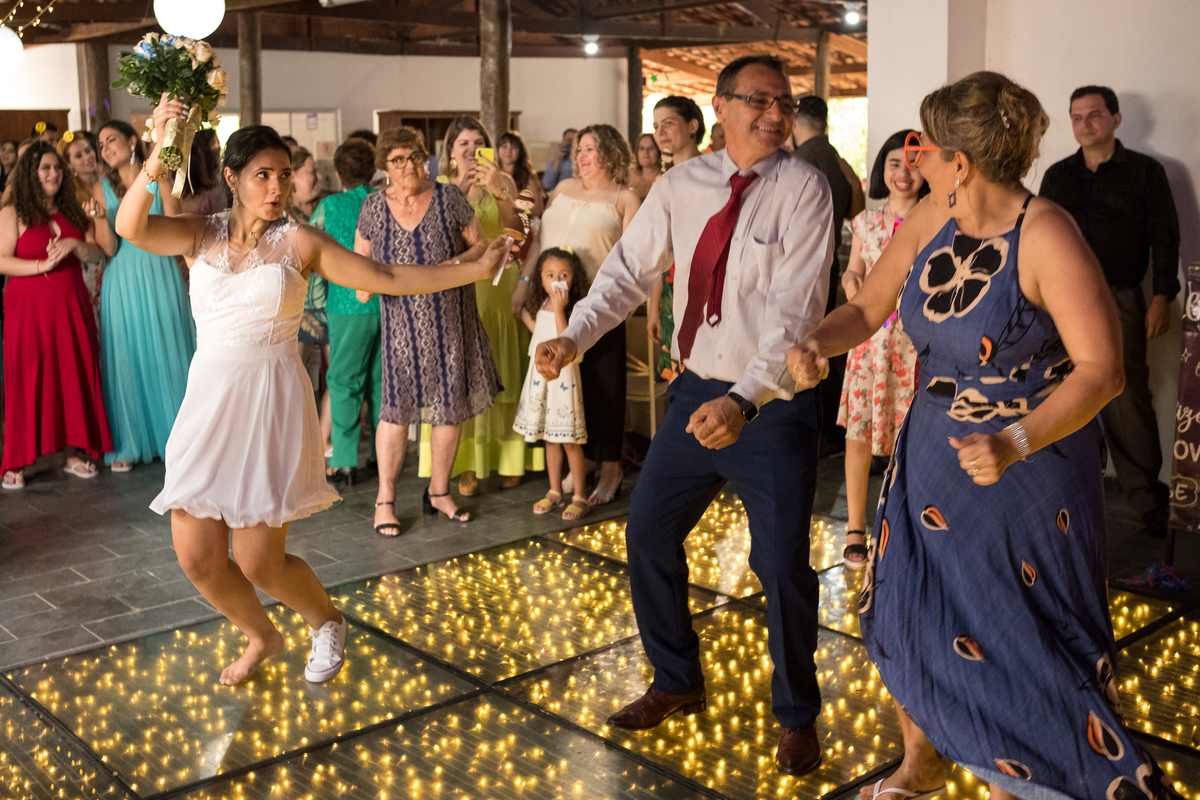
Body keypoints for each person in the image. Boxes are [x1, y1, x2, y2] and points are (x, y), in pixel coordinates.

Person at [787, 71, 1185, 800]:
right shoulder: (931, 216)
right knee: (913, 608)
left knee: (1017, 631)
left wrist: (1013, 443)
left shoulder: (1047, 233)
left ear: (961, 162)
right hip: (934, 453)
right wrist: (819, 340)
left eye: (927, 146)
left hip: (1028, 462)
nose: (917, 157)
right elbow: (868, 308)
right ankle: (923, 762)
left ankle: (1021, 783)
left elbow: (1103, 372)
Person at [119, 97, 510, 687]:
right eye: (263, 175)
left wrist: (471, 270)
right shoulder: (200, 233)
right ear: (232, 178)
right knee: (197, 557)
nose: (277, 187)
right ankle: (262, 635)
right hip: (209, 404)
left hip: (270, 403)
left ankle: (326, 620)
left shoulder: (300, 242)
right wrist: (157, 156)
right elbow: (131, 227)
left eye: (283, 174)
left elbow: (388, 277)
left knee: (259, 562)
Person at [535, 55, 833, 777]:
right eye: (759, 101)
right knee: (647, 533)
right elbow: (626, 274)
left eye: (784, 103)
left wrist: (744, 401)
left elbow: (796, 315)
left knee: (780, 565)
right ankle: (675, 678)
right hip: (697, 392)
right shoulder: (682, 184)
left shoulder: (805, 189)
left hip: (772, 405)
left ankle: (798, 714)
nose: (775, 114)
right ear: (722, 106)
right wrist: (575, 336)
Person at [1039, 85, 1179, 539]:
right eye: (1077, 116)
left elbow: (1165, 236)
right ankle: (1059, 494)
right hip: (1056, 301)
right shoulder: (1057, 176)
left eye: (1095, 114)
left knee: (1125, 395)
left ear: (1115, 119)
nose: (1085, 124)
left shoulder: (1145, 172)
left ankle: (1148, 501)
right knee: (1054, 389)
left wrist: (1161, 296)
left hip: (1120, 298)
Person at [360, 126, 502, 535]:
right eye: (398, 160)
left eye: (414, 157)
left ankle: (439, 491)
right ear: (384, 166)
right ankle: (385, 500)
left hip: (450, 319)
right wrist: (364, 287)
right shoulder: (373, 206)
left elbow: (479, 245)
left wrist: (451, 267)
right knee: (395, 411)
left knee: (448, 407)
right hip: (400, 326)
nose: (409, 166)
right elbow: (360, 261)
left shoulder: (448, 196)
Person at [530, 123, 640, 505]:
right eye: (579, 149)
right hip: (553, 302)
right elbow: (539, 241)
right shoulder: (562, 188)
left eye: (590, 148)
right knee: (566, 388)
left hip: (601, 302)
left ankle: (611, 467)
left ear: (610, 153)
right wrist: (526, 282)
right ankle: (584, 460)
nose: (581, 155)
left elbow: (633, 257)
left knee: (603, 388)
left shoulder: (625, 198)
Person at [0, 141, 113, 489]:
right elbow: (1, 260)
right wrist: (41, 265)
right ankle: (17, 459)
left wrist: (75, 245)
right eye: (45, 168)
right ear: (30, 175)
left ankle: (72, 453)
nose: (54, 174)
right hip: (27, 306)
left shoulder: (74, 210)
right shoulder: (13, 213)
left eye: (57, 168)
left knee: (71, 375)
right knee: (28, 377)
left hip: (71, 302)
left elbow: (97, 253)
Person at [434, 116, 536, 498]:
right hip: (460, 284)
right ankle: (467, 463)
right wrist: (460, 189)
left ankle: (509, 459)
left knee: (503, 369)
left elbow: (520, 231)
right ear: (450, 149)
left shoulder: (504, 181)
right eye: (463, 143)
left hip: (500, 284)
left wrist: (500, 190)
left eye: (478, 143)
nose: (471, 150)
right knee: (464, 373)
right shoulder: (440, 186)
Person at [838, 130, 927, 568]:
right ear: (882, 170)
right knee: (859, 433)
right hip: (871, 342)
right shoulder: (866, 222)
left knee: (913, 436)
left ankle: (905, 523)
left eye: (912, 164)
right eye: (894, 164)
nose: (903, 173)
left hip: (916, 346)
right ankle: (856, 526)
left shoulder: (937, 220)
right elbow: (853, 270)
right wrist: (852, 282)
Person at [94, 120, 196, 473]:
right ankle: (130, 441)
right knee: (127, 358)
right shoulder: (100, 189)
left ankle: (181, 441)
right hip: (121, 278)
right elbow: (108, 247)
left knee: (169, 350)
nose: (106, 148)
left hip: (159, 270)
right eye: (101, 145)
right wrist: (99, 220)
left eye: (111, 140)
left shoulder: (162, 180)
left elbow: (179, 228)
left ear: (132, 141)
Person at [793, 95, 866, 457]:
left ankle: (820, 431)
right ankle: (831, 430)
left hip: (801, 268)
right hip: (830, 261)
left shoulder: (800, 161)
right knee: (827, 347)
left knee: (810, 348)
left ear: (794, 121)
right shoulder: (837, 159)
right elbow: (856, 209)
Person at [310, 137, 380, 485]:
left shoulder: (329, 206)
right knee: (382, 383)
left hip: (345, 303)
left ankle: (346, 460)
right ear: (374, 169)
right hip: (388, 300)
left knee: (343, 382)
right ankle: (383, 455)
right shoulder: (384, 201)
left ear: (338, 173)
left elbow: (308, 244)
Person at [513, 248, 590, 521]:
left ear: (574, 278)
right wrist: (522, 313)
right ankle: (555, 490)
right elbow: (539, 331)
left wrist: (559, 309)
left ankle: (579, 495)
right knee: (550, 438)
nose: (557, 280)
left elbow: (565, 338)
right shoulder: (544, 303)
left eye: (563, 275)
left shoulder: (571, 308)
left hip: (563, 382)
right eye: (550, 275)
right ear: (541, 279)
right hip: (542, 381)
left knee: (569, 440)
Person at [646, 96, 706, 383]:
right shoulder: (662, 181)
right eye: (656, 126)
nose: (660, 132)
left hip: (707, 280)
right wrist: (654, 308)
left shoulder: (713, 174)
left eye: (668, 123)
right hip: (672, 283)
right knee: (677, 376)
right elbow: (659, 249)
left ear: (692, 125)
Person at [289, 146, 333, 456]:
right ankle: (293, 438)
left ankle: (322, 439)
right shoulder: (279, 214)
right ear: (292, 176)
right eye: (310, 172)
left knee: (337, 374)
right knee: (291, 374)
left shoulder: (329, 206)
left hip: (329, 300)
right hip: (297, 304)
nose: (318, 177)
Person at [57, 131, 105, 323]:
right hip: (93, 263)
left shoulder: (107, 179)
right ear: (69, 165)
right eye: (78, 155)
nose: (87, 157)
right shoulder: (73, 196)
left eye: (88, 150)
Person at [497, 130, 547, 217]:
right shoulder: (493, 174)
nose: (508, 151)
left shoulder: (527, 176)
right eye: (504, 146)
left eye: (514, 147)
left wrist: (517, 210)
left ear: (520, 151)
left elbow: (537, 209)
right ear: (497, 149)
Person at [628, 133, 662, 201]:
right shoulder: (629, 179)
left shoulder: (664, 179)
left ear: (659, 151)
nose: (646, 152)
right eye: (641, 148)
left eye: (651, 148)